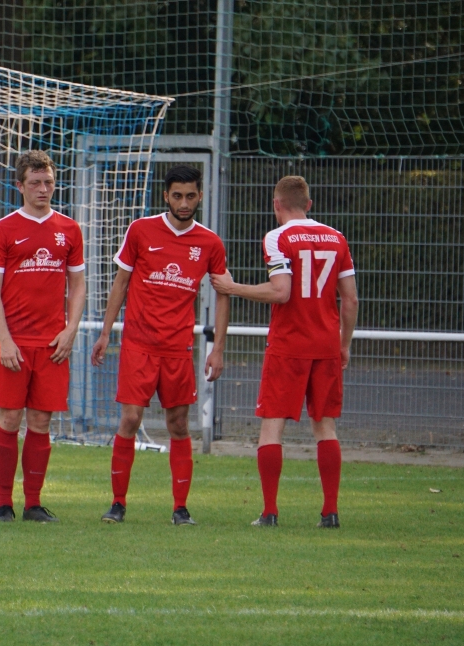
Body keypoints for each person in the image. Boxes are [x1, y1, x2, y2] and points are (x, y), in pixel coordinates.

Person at [211, 175, 358, 528]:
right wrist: (344, 344)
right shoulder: (337, 237)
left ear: (276, 205)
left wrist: (233, 287)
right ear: (309, 204)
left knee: (272, 427)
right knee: (325, 427)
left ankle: (270, 512)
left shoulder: (278, 237)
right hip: (326, 345)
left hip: (288, 346)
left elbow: (281, 292)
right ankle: (330, 512)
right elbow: (351, 299)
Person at [91, 165, 230, 526]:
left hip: (178, 348)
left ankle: (180, 508)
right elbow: (121, 283)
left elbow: (224, 293)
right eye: (177, 196)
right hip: (138, 344)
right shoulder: (141, 230)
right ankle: (117, 503)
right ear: (166, 196)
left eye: (191, 196)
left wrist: (217, 348)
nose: (184, 203)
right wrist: (105, 333)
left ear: (200, 196)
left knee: (179, 425)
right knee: (130, 419)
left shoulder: (210, 243)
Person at [0, 150, 85, 523]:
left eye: (48, 182)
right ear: (20, 186)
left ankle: (34, 504)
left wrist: (70, 329)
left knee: (41, 422)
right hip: (14, 342)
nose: (43, 189)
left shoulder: (69, 229)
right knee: (9, 419)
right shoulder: (4, 229)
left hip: (52, 344)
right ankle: (3, 504)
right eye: (35, 183)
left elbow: (78, 284)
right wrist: (5, 339)